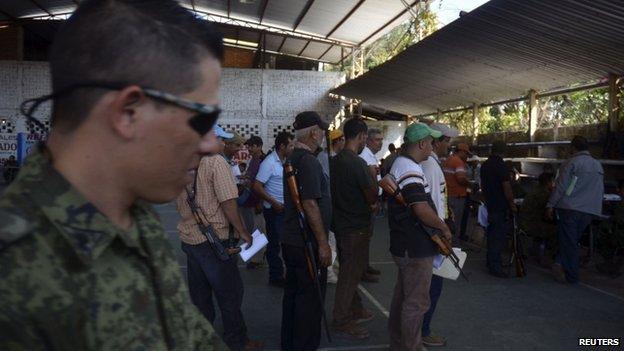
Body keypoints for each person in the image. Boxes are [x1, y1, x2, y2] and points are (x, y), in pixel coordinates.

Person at [0, 0, 229, 349]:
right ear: (128, 112)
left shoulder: (135, 218)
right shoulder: (14, 274)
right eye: (204, 121)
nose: (211, 145)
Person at [176, 124, 262, 350]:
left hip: (191, 238)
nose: (224, 144)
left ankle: (202, 340)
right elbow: (228, 202)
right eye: (220, 139)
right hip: (216, 242)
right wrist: (243, 231)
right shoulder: (216, 162)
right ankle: (238, 340)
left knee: (201, 296)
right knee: (230, 294)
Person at [387, 123, 452, 351]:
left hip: (407, 245)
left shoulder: (405, 164)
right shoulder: (410, 168)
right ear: (423, 143)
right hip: (414, 247)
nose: (433, 147)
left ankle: (398, 343)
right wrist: (443, 228)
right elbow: (420, 209)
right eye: (431, 142)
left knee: (403, 298)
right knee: (416, 303)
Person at [281, 111, 332, 351]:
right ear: (313, 132)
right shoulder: (308, 161)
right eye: (321, 130)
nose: (322, 135)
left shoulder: (293, 157)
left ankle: (289, 343)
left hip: (293, 239)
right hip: (306, 242)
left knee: (293, 295)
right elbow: (310, 204)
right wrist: (323, 244)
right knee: (310, 301)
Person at [330, 118, 378, 339]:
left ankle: (356, 307)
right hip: (355, 226)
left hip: (341, 223)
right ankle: (341, 318)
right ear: (360, 136)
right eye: (365, 138)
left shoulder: (335, 160)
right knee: (349, 274)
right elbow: (371, 195)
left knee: (352, 270)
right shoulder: (356, 163)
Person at [419, 122, 458, 347]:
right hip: (434, 232)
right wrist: (442, 230)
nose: (448, 146)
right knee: (432, 285)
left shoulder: (431, 163)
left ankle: (420, 328)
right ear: (437, 141)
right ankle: (423, 329)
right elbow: (433, 202)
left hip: (432, 229)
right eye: (447, 141)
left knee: (428, 284)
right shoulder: (431, 166)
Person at [546, 135, 604, 284]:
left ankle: (571, 275)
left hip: (570, 208)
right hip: (589, 210)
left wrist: (550, 205)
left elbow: (561, 187)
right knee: (572, 240)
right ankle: (560, 264)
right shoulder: (597, 165)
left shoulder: (571, 163)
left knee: (569, 242)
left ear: (573, 147)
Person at [252, 131, 294, 286]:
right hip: (274, 211)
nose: (292, 148)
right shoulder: (269, 163)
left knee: (285, 243)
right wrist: (273, 202)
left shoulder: (286, 161)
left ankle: (283, 273)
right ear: (282, 146)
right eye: (290, 145)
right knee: (275, 244)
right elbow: (257, 186)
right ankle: (275, 276)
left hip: (285, 209)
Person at [480, 140, 517, 278]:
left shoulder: (485, 165)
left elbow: (483, 186)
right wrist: (512, 203)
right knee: (498, 236)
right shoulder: (501, 166)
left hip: (490, 203)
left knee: (492, 234)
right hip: (500, 205)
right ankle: (495, 266)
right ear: (503, 151)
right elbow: (506, 187)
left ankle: (491, 262)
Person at [359, 127, 384, 281]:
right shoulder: (365, 157)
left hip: (374, 199)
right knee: (364, 237)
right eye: (377, 140)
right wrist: (372, 202)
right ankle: (362, 270)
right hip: (369, 202)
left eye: (381, 140)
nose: (380, 143)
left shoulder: (372, 156)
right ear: (368, 141)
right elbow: (366, 184)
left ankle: (365, 265)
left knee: (368, 236)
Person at [521, 172, 556, 267]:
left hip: (525, 222)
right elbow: (546, 213)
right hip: (532, 224)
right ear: (549, 182)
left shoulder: (535, 190)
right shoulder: (544, 194)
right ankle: (547, 258)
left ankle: (536, 252)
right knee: (557, 232)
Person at [241, 135, 266, 269]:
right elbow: (251, 177)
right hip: (252, 200)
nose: (249, 148)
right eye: (248, 146)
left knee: (258, 230)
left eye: (251, 146)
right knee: (255, 229)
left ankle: (257, 259)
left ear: (259, 146)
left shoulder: (262, 161)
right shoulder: (254, 160)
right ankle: (259, 256)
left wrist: (258, 202)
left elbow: (261, 184)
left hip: (258, 201)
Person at [443, 142, 472, 239]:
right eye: (467, 154)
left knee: (449, 221)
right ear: (462, 152)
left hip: (448, 195)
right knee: (455, 224)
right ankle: (454, 245)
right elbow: (461, 179)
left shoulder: (448, 160)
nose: (467, 157)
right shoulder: (458, 162)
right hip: (457, 197)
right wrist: (470, 184)